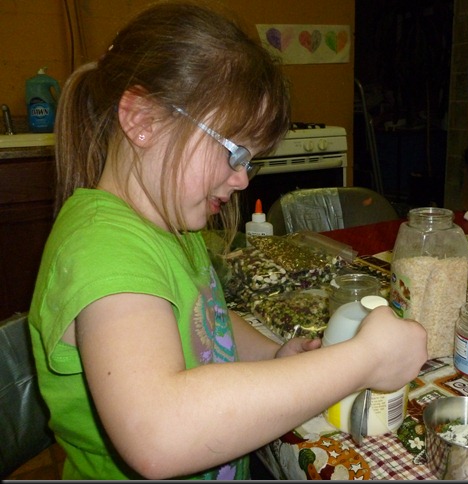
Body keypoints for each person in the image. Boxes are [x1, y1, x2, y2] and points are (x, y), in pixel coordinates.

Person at [28, 1, 428, 480]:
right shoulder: (103, 249)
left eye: (251, 162)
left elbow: (206, 318)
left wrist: (270, 355)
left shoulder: (168, 224)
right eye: (235, 152)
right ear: (143, 120)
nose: (242, 180)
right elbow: (159, 434)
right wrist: (364, 361)